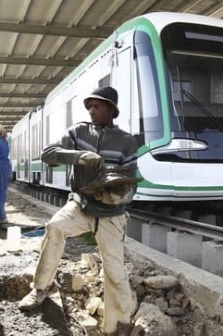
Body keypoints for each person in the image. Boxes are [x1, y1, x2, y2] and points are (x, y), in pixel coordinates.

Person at [18, 86, 140, 336]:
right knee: (54, 227)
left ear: (111, 110)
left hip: (111, 213)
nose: (92, 111)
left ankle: (119, 323)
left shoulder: (126, 142)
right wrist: (79, 156)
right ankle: (42, 287)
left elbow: (130, 181)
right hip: (81, 204)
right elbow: (49, 155)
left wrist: (118, 194)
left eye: (98, 106)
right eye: (90, 106)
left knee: (114, 268)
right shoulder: (78, 131)